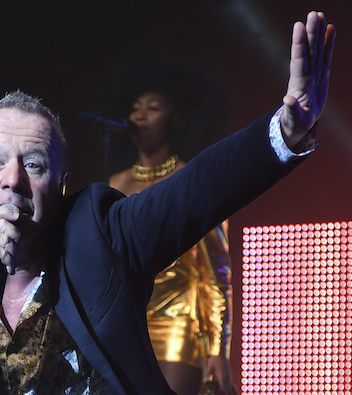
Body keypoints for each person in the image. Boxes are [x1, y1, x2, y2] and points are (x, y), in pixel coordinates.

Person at [0, 11, 335, 395]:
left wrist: (286, 132)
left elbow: (199, 190)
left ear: (60, 186)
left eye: (33, 164)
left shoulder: (101, 230)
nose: (12, 179)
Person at [103, 56, 235, 395]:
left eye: (153, 108)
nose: (141, 115)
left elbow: (216, 272)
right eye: (135, 108)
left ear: (174, 119)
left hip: (178, 323)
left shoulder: (191, 180)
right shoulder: (115, 184)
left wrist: (218, 349)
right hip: (127, 324)